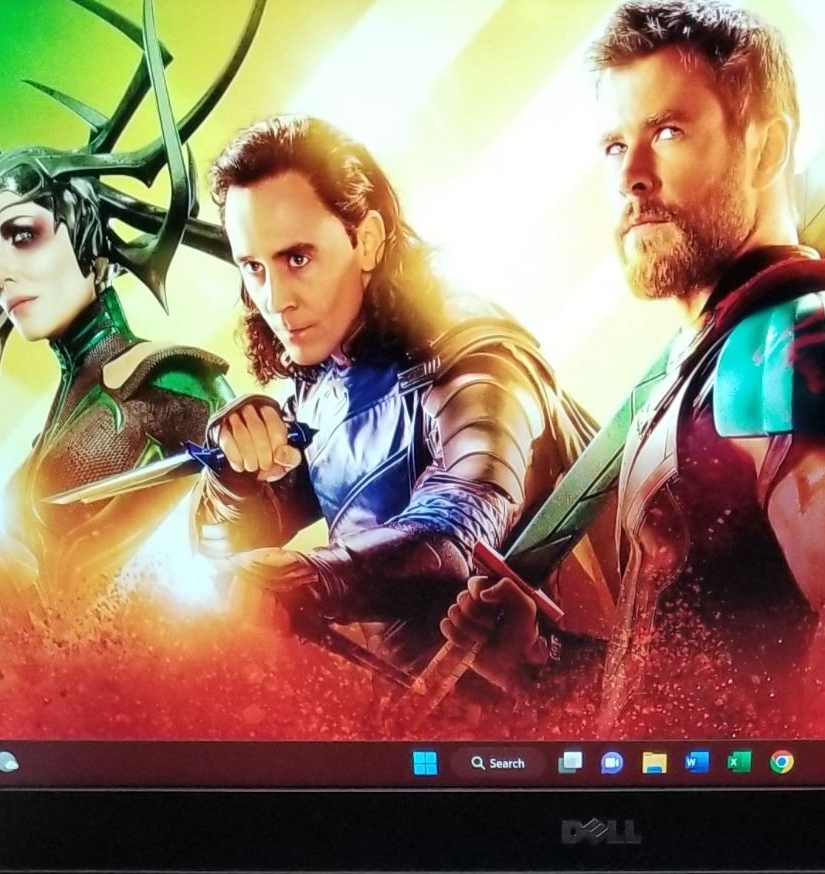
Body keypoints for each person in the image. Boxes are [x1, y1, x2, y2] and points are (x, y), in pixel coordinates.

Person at [440, 0, 825, 736]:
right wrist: (536, 662)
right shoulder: (690, 374)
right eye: (613, 145)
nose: (631, 176)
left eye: (668, 131)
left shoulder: (810, 337)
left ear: (765, 148)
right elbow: (687, 695)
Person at [190, 116, 602, 674]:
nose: (275, 299)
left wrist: (313, 577)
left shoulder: (473, 353)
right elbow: (222, 560)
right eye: (254, 268)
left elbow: (461, 529)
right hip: (423, 708)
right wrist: (235, 473)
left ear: (366, 240)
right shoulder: (322, 386)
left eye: (297, 259)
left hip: (566, 697)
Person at [0, 0, 262, 604]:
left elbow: (255, 523)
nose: (0, 273)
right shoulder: (66, 406)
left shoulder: (170, 379)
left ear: (88, 237)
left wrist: (248, 471)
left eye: (23, 234)